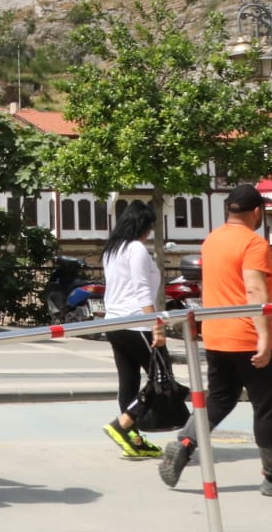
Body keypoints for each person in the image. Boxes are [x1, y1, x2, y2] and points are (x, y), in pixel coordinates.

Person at [160, 183, 272, 493]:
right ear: (256, 212)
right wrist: (265, 337)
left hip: (216, 334)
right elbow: (254, 291)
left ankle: (184, 443)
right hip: (248, 336)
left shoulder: (212, 240)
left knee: (220, 399)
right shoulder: (254, 243)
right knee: (267, 406)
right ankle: (271, 476)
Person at [98, 200, 166, 460]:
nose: (149, 232)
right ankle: (123, 424)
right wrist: (155, 326)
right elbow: (142, 290)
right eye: (149, 226)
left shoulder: (112, 250)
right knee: (162, 377)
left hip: (115, 322)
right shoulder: (136, 249)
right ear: (142, 225)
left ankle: (133, 439)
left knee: (129, 382)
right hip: (137, 322)